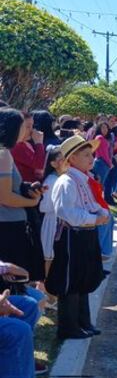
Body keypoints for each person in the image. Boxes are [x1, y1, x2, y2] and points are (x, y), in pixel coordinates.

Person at [47, 135, 109, 340]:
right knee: (70, 282)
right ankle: (68, 327)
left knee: (83, 280)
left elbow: (90, 204)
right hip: (71, 237)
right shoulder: (66, 182)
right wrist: (94, 219)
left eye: (91, 154)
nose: (91, 158)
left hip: (84, 235)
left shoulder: (82, 179)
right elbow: (68, 213)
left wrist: (102, 213)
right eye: (85, 155)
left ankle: (83, 322)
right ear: (71, 159)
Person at [0, 108, 46, 295]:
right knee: (13, 285)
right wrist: (32, 202)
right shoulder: (3, 154)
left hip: (9, 224)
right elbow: (5, 197)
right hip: (8, 227)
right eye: (23, 126)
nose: (27, 131)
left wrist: (26, 188)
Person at [40, 146, 67, 289]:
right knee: (48, 257)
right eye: (61, 159)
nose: (65, 161)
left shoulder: (62, 178)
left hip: (59, 221)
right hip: (52, 222)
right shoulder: (51, 180)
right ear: (53, 164)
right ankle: (46, 291)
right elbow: (44, 206)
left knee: (54, 256)